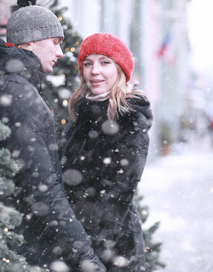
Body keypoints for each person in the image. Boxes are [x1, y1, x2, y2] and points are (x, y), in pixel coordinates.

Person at [0, 0, 106, 271]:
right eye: (55, 43)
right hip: (21, 246)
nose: (60, 53)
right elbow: (42, 189)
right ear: (31, 41)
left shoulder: (4, 85)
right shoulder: (18, 95)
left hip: (2, 237)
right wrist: (85, 256)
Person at [59, 33, 153, 271]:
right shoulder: (79, 111)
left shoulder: (130, 117)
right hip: (73, 239)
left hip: (111, 246)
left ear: (120, 69)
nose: (94, 71)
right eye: (88, 63)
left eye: (104, 62)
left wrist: (94, 245)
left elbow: (122, 187)